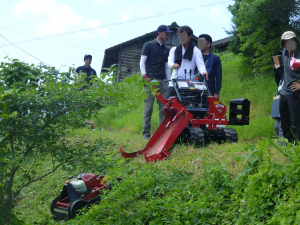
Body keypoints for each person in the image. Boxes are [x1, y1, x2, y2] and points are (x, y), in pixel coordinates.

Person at [140, 25, 172, 140]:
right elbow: (142, 61)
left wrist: (169, 81)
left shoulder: (166, 50)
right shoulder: (148, 45)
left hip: (163, 81)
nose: (168, 35)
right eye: (166, 33)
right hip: (150, 80)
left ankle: (161, 134)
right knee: (148, 108)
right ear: (159, 33)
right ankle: (146, 134)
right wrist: (144, 76)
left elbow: (166, 67)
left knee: (163, 109)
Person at [167, 26, 207, 97]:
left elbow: (200, 64)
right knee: (170, 105)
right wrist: (173, 65)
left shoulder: (196, 50)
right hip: (174, 82)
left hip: (190, 82)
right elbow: (169, 62)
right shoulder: (174, 49)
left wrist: (203, 72)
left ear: (190, 36)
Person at [278, 31, 300, 143]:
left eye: (292, 41)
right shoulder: (283, 55)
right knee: (285, 122)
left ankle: (297, 146)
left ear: (295, 42)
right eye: (287, 42)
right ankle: (288, 144)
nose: (290, 43)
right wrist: (276, 67)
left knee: (295, 122)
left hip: (294, 95)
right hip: (283, 94)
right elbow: (280, 71)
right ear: (284, 44)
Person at [197, 34, 222, 100]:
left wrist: (217, 92)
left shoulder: (215, 58)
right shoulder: (195, 57)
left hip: (209, 90)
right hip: (194, 89)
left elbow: (219, 76)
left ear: (208, 44)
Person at [76, 54, 97, 130]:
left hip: (89, 93)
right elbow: (75, 80)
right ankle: (79, 125)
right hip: (80, 92)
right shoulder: (79, 69)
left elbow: (95, 82)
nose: (88, 61)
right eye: (87, 60)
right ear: (84, 60)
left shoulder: (93, 71)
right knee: (79, 109)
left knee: (88, 110)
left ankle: (91, 127)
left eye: (89, 60)